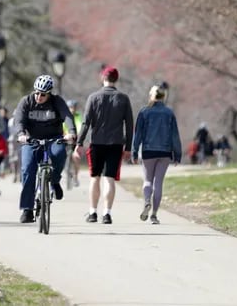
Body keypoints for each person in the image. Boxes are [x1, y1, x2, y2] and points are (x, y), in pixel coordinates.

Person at [12, 75, 77, 223]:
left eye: (43, 94)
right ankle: (27, 209)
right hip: (31, 140)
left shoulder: (57, 102)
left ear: (49, 94)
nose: (39, 97)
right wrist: (21, 134)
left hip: (54, 139)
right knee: (28, 170)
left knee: (60, 153)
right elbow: (19, 120)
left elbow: (67, 116)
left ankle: (54, 181)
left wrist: (71, 132)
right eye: (37, 93)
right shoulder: (26, 101)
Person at [73, 66, 133, 225]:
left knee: (95, 178)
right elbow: (129, 125)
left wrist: (79, 143)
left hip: (97, 143)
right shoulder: (123, 98)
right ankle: (107, 213)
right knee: (110, 178)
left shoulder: (93, 98)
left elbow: (86, 123)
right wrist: (128, 147)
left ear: (103, 78)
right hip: (116, 143)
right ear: (116, 79)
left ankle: (93, 212)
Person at [131, 85, 182, 225]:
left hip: (148, 151)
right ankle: (154, 215)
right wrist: (177, 154)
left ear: (151, 96)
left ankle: (147, 201)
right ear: (163, 96)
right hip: (165, 152)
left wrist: (134, 151)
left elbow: (138, 135)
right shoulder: (169, 113)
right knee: (158, 182)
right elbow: (175, 135)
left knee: (147, 180)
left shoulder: (144, 112)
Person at [64, 99, 83, 187]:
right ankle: (66, 171)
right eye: (70, 107)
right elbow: (62, 126)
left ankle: (75, 176)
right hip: (65, 139)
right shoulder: (64, 116)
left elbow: (79, 126)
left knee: (76, 158)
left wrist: (77, 134)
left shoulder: (78, 116)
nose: (72, 109)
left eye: (74, 107)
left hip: (75, 139)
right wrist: (65, 134)